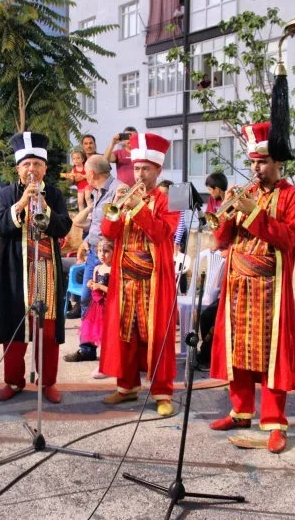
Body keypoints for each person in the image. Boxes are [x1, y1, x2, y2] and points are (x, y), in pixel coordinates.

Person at [208, 121, 295, 454]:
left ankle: (275, 422)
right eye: (253, 162)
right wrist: (227, 216)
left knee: (271, 356)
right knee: (237, 352)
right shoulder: (246, 194)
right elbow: (221, 240)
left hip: (270, 291)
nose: (256, 169)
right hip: (237, 287)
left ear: (278, 163)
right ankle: (240, 412)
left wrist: (252, 215)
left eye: (262, 162)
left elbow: (287, 239)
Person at [98, 132, 179, 416]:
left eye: (145, 168)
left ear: (158, 170)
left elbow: (160, 234)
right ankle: (127, 387)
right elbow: (109, 233)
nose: (140, 174)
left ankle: (162, 392)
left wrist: (139, 208)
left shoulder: (169, 199)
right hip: (126, 280)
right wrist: (115, 211)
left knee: (156, 337)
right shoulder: (124, 195)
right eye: (136, 168)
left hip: (155, 282)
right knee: (126, 334)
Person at [0, 132, 72, 404]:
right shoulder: (6, 194)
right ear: (18, 169)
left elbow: (64, 226)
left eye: (37, 164)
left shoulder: (55, 194)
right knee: (15, 328)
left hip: (46, 270)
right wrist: (22, 204)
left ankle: (47, 382)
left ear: (45, 168)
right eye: (26, 164)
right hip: (16, 271)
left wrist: (45, 207)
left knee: (47, 330)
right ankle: (13, 381)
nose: (32, 169)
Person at [64, 155, 125, 360]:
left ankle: (111, 349)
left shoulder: (119, 190)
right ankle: (88, 347)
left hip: (109, 255)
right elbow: (95, 224)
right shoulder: (98, 192)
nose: (83, 176)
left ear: (92, 173)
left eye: (85, 173)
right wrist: (86, 242)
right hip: (93, 252)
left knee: (109, 303)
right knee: (86, 298)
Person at [80, 238, 113, 379]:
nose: (102, 254)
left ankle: (108, 364)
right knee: (100, 336)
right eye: (100, 251)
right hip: (97, 307)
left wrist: (99, 287)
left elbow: (113, 290)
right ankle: (104, 363)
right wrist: (91, 284)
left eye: (106, 251)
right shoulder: (98, 268)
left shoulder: (113, 269)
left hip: (109, 307)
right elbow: (95, 284)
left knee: (108, 337)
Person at [62, 148, 90, 213]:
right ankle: (82, 214)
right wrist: (70, 177)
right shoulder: (74, 169)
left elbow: (89, 175)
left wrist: (82, 176)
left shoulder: (85, 166)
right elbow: (71, 179)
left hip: (87, 185)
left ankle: (91, 213)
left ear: (82, 159)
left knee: (87, 198)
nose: (76, 160)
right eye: (74, 159)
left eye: (78, 158)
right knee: (80, 202)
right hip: (80, 187)